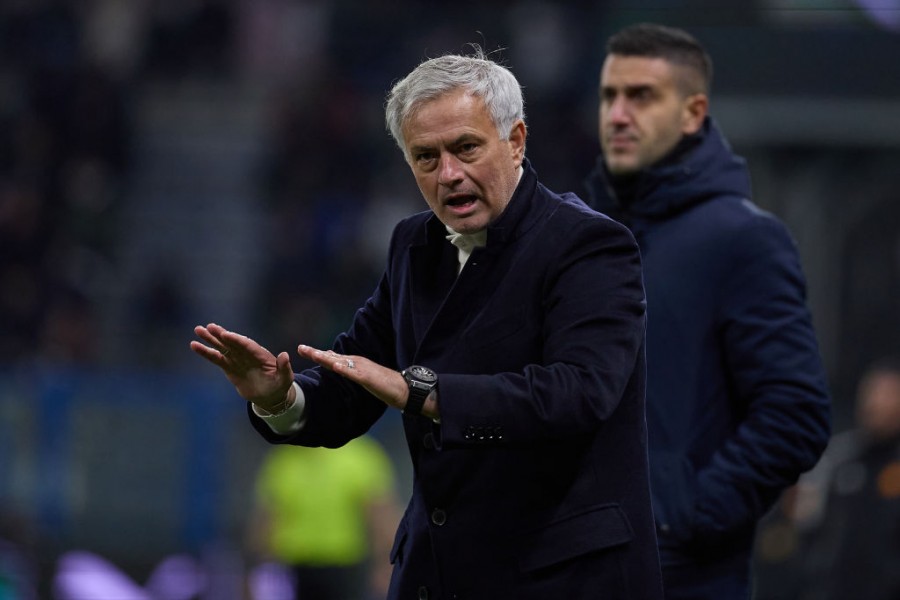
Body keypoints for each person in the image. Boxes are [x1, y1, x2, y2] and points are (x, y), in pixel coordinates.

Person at [192, 48, 664, 599]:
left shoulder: (588, 245)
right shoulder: (412, 245)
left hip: (561, 580)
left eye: (466, 148)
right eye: (425, 157)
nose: (449, 175)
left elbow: (580, 394)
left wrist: (426, 393)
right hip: (437, 579)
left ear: (516, 141)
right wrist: (281, 397)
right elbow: (353, 382)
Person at [584, 23, 831, 599]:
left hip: (685, 576)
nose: (618, 114)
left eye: (641, 96)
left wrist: (682, 515)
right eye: (609, 95)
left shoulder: (744, 238)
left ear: (693, 113)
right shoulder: (588, 237)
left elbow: (796, 411)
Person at [788, 355, 900, 600]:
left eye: (887, 393)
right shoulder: (839, 459)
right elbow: (808, 528)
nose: (875, 402)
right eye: (871, 391)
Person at [247, 434, 401, 600]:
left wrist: (385, 565)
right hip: (296, 571)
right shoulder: (359, 455)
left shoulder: (283, 461)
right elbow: (266, 525)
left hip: (344, 567)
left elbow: (381, 519)